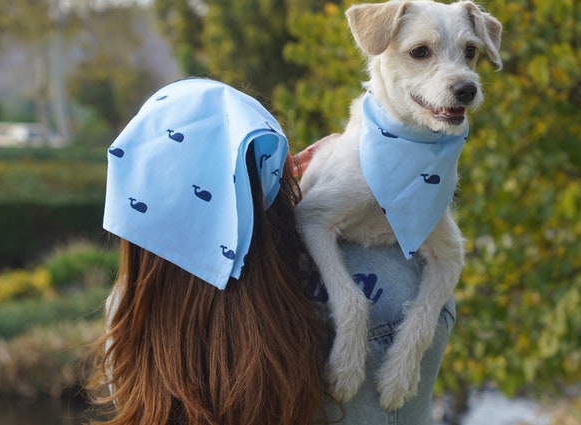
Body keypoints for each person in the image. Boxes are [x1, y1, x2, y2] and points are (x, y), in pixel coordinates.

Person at [88, 78, 455, 425]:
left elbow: (206, 232)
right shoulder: (401, 283)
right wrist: (300, 190)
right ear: (270, 180)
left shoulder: (125, 314)